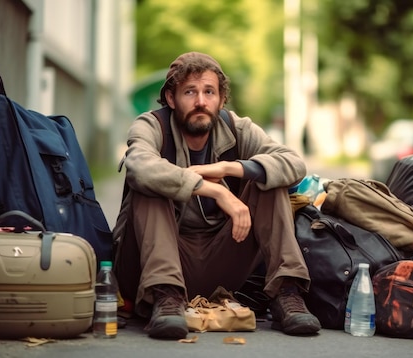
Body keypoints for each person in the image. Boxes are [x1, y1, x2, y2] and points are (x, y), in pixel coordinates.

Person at [117, 52, 321, 340]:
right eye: (190, 92)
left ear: (221, 99)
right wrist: (212, 189)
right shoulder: (152, 126)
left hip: (221, 259)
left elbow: (294, 163)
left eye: (209, 92)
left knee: (268, 178)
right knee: (149, 186)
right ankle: (166, 298)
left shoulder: (237, 128)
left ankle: (287, 293)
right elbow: (139, 166)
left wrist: (230, 168)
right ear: (172, 99)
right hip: (157, 263)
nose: (201, 101)